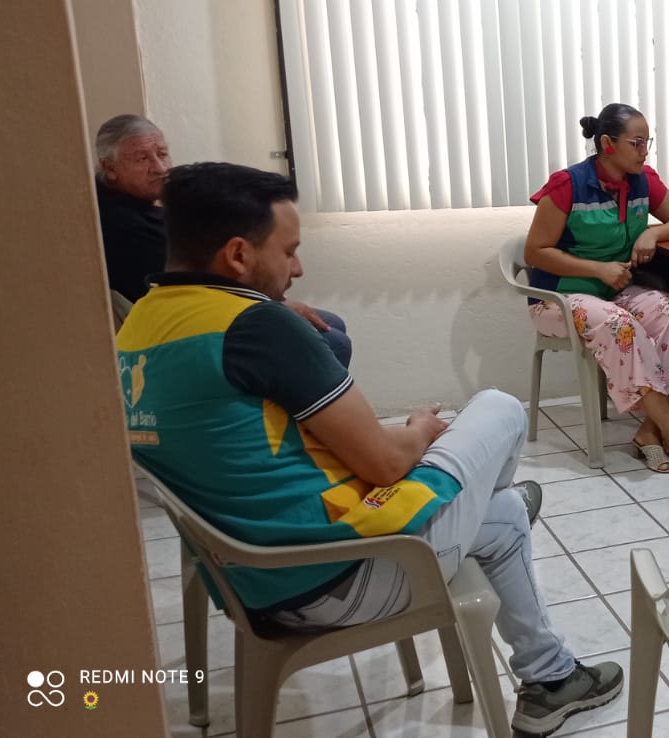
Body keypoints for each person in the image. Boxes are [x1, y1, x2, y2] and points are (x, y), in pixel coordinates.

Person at [118, 162, 621, 737]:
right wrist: (420, 428)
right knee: (500, 408)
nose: (298, 269)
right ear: (237, 254)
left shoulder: (140, 326)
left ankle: (551, 680)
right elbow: (384, 462)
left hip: (249, 579)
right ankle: (483, 495)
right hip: (336, 577)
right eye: (289, 252)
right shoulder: (255, 329)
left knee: (503, 516)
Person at [523, 103, 669, 476]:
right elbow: (536, 252)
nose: (645, 152)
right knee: (619, 325)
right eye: (637, 143)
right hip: (558, 299)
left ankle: (648, 432)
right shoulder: (567, 185)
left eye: (648, 143)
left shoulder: (642, 180)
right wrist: (597, 268)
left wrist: (652, 233)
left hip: (613, 292)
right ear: (608, 144)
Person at [94, 114, 353, 366]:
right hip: (190, 323)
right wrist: (274, 307)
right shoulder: (120, 223)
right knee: (333, 340)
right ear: (110, 168)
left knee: (332, 325)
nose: (160, 168)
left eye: (162, 154)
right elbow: (194, 287)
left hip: (213, 302)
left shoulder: (143, 203)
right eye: (142, 159)